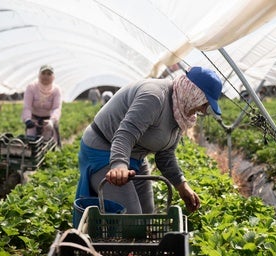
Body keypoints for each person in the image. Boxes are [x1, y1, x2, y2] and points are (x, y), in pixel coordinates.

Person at [75, 66, 222, 215]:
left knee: (147, 212)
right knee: (131, 215)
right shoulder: (154, 96)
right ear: (193, 93)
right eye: (204, 104)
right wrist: (119, 165)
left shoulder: (180, 111)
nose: (203, 111)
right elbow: (125, 134)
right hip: (103, 150)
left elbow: (165, 155)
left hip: (136, 155)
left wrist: (182, 186)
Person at [21, 64, 62, 147]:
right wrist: (27, 119)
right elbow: (27, 106)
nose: (46, 76)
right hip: (33, 120)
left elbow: (56, 108)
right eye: (43, 73)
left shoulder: (56, 90)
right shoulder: (31, 87)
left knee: (48, 145)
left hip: (48, 122)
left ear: (53, 77)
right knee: (31, 144)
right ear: (39, 75)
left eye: (49, 74)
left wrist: (52, 121)